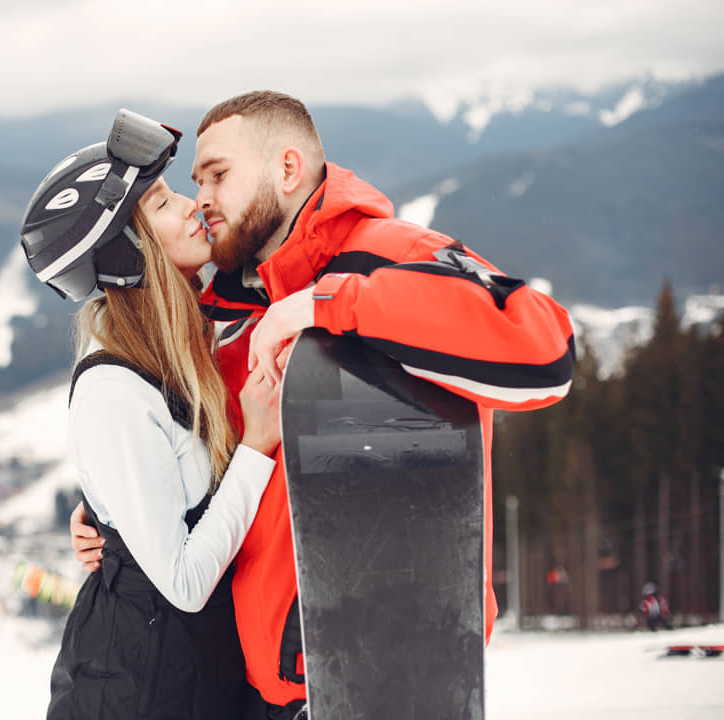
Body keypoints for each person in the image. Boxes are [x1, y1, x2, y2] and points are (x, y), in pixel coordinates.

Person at [74, 91, 577, 718]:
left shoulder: (386, 256)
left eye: (219, 175)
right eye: (195, 181)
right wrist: (113, 510)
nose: (201, 198)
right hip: (257, 692)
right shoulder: (226, 310)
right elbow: (188, 445)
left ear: (287, 170)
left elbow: (544, 353)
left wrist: (326, 305)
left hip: (389, 680)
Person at [21, 109, 283, 720]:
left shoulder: (191, 339)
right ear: (128, 252)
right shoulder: (116, 389)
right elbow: (185, 583)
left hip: (199, 671)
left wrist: (112, 528)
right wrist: (256, 449)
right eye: (164, 204)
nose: (193, 205)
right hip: (137, 687)